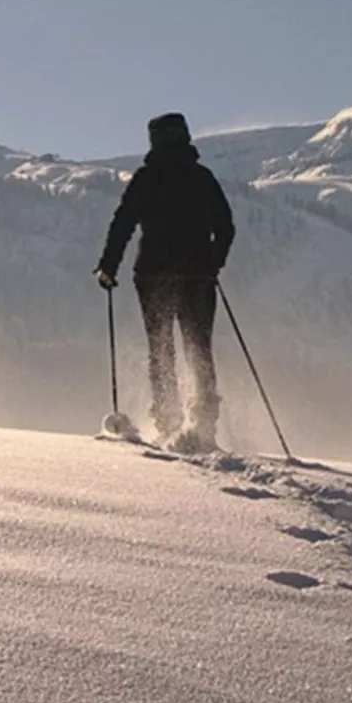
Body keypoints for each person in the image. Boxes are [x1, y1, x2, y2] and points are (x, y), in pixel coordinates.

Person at [96, 112, 235, 450]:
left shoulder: (145, 179)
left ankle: (168, 422)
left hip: (152, 275)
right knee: (198, 348)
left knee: (160, 349)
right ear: (185, 137)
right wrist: (213, 262)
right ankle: (203, 427)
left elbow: (123, 223)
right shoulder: (202, 178)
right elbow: (226, 226)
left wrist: (108, 266)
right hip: (197, 276)